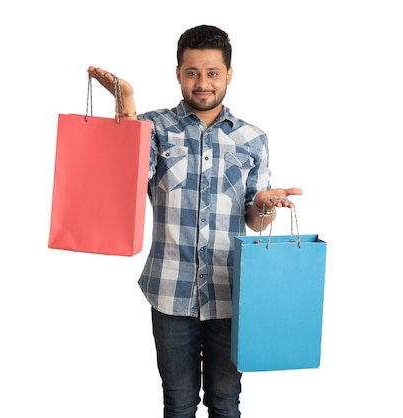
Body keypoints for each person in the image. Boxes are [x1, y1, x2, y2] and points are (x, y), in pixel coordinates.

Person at [88, 24, 302, 418]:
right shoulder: (155, 128)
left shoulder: (253, 139)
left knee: (225, 403)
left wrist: (265, 205)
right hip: (170, 292)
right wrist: (129, 106)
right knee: (179, 404)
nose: (202, 83)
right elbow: (128, 179)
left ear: (228, 75)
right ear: (178, 74)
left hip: (231, 295)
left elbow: (255, 223)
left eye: (212, 73)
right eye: (192, 72)